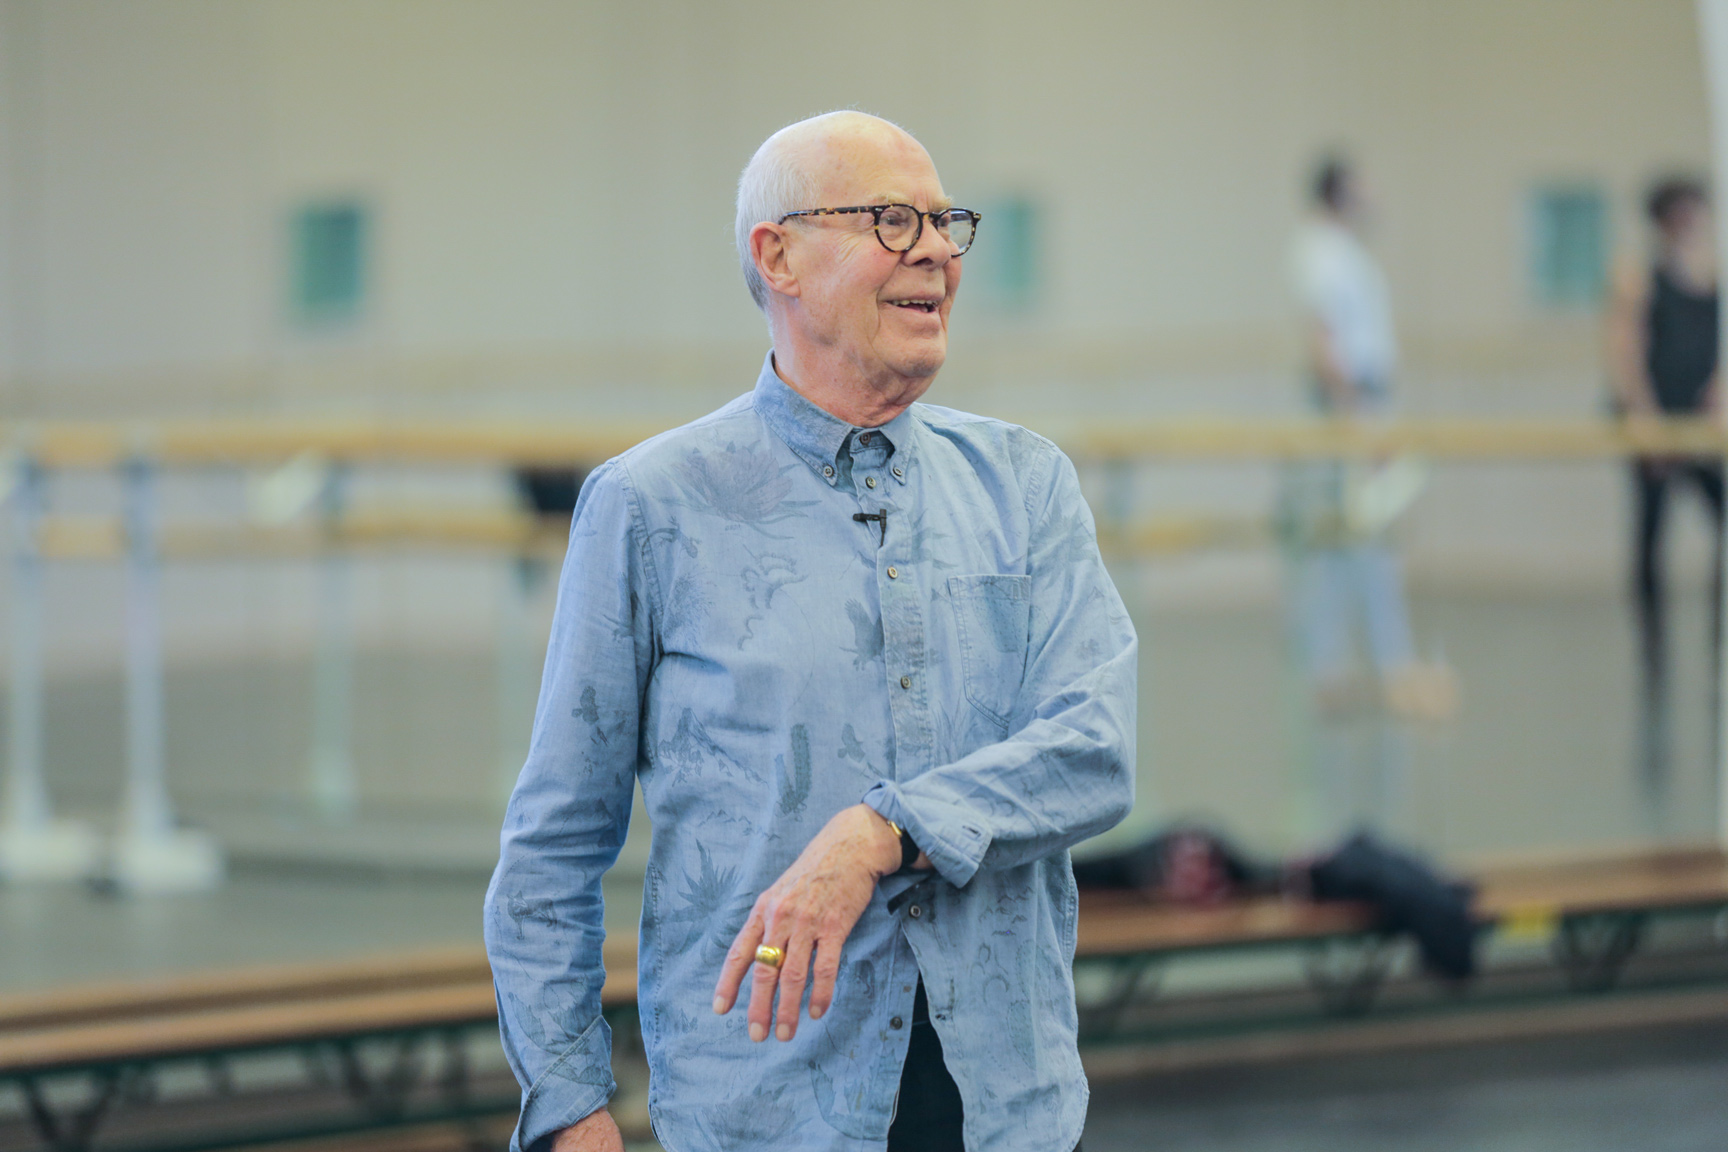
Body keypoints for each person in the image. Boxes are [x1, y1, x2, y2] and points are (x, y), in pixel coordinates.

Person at [484, 111, 1137, 1152]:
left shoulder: (1027, 485)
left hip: (1005, 1111)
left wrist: (878, 833)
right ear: (776, 255)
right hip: (765, 1116)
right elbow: (554, 844)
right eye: (890, 219)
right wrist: (569, 1109)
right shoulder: (650, 507)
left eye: (943, 221)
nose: (932, 249)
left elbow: (1095, 748)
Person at [1284, 156, 1453, 723]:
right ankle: (1383, 665)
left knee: (1354, 541)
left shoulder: (1341, 252)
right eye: (1363, 185)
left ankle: (1339, 667)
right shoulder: (1322, 253)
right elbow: (1323, 342)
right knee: (1362, 541)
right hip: (1352, 409)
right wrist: (1357, 421)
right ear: (1340, 192)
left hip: (1364, 403)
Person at [1606, 176, 1722, 780]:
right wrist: (1643, 418)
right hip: (1655, 422)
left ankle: (1718, 642)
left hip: (1700, 427)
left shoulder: (1710, 274)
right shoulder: (1638, 273)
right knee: (1650, 538)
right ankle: (1653, 653)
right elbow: (1625, 348)